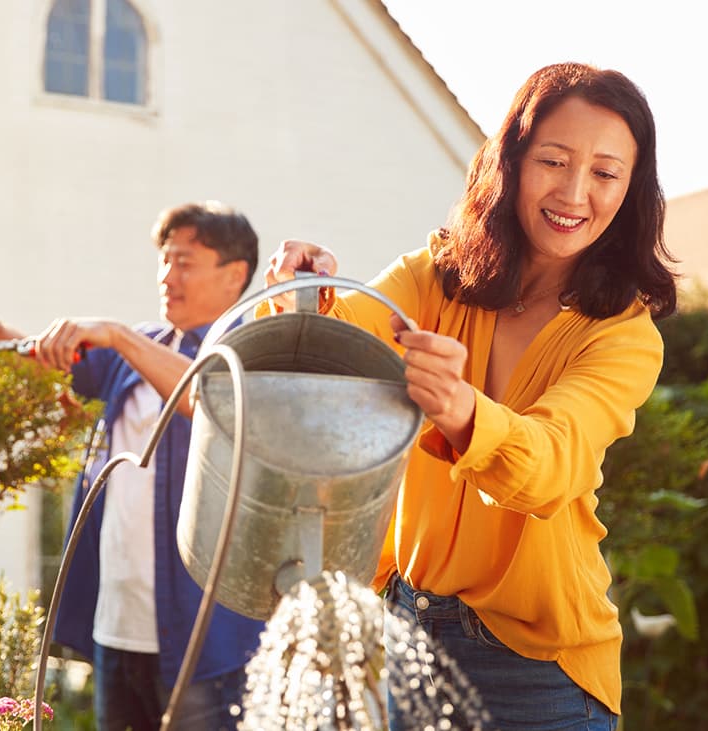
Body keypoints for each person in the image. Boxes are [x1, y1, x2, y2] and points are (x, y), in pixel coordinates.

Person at [263, 63, 678, 730]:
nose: (573, 192)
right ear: (510, 161)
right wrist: (300, 292)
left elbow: (550, 466)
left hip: (537, 672)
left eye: (604, 173)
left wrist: (460, 411)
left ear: (629, 190)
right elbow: (322, 359)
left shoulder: (622, 334)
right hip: (407, 635)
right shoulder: (433, 277)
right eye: (552, 160)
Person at [0, 200, 266, 731]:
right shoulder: (141, 349)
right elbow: (53, 363)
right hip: (118, 628)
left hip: (206, 642)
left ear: (235, 276)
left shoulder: (246, 352)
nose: (167, 276)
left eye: (184, 262)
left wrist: (116, 333)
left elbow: (208, 396)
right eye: (163, 260)